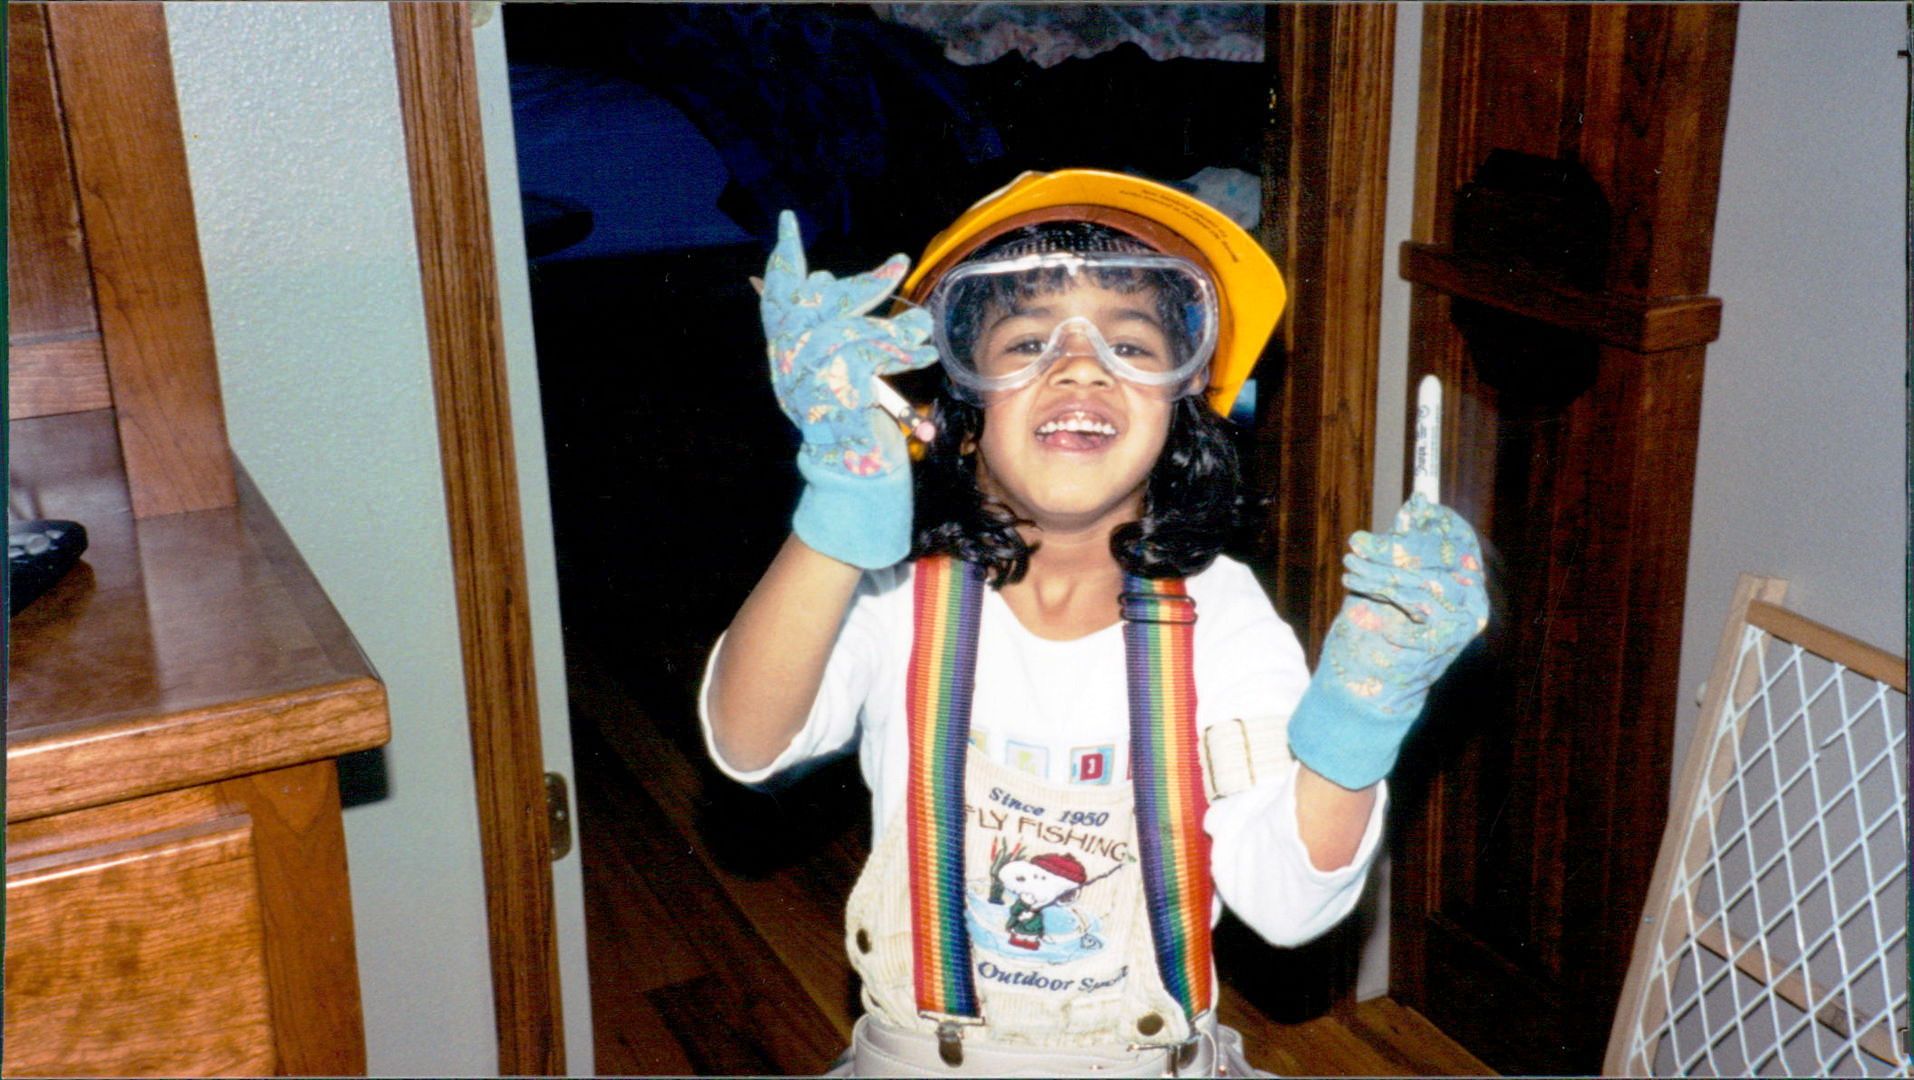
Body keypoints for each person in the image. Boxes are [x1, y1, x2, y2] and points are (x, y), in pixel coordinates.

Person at [702, 169, 1487, 1077]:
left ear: (1182, 413)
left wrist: (1362, 713)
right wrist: (836, 517)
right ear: (961, 412)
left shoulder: (1224, 618)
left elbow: (1287, 904)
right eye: (1027, 339)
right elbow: (745, 742)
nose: (1080, 364)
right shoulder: (894, 597)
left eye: (1131, 342)